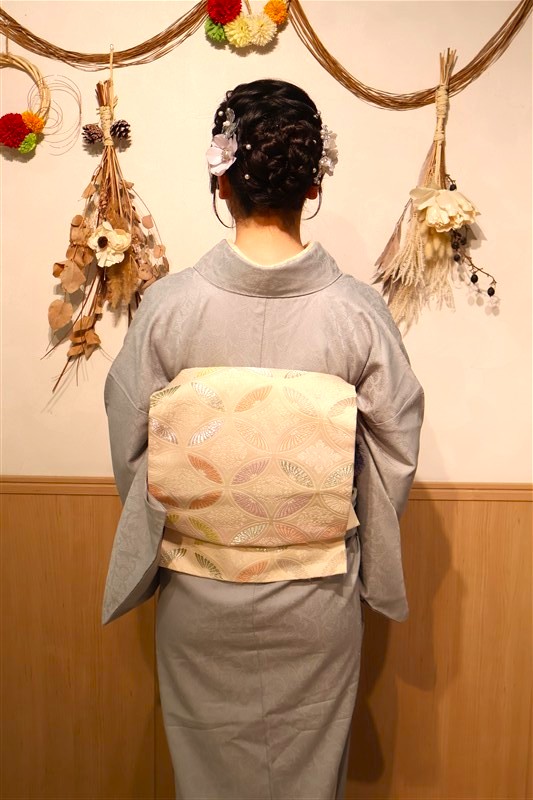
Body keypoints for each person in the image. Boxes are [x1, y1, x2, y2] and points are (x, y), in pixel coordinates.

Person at [102, 79, 424, 800]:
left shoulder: (169, 308)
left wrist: (194, 518)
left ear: (222, 180)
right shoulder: (357, 314)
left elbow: (132, 447)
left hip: (199, 593)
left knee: (206, 776)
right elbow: (394, 456)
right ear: (312, 184)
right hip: (315, 598)